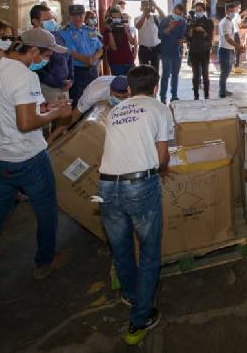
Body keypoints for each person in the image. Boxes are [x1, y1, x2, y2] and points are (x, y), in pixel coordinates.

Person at [0, 28, 72, 295]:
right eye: (45, 55)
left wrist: (45, 108)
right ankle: (45, 261)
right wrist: (58, 115)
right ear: (31, 51)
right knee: (46, 209)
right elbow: (25, 123)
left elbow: (10, 109)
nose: (45, 60)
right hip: (26, 156)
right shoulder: (25, 76)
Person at [98, 65, 172, 345]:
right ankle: (140, 319)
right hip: (139, 186)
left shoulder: (115, 111)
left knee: (121, 248)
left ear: (128, 89)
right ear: (156, 87)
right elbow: (162, 158)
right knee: (150, 253)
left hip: (106, 186)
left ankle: (131, 295)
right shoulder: (160, 109)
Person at [59, 5, 103, 107]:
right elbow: (72, 53)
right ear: (70, 16)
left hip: (92, 71)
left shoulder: (90, 30)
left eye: (80, 15)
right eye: (74, 15)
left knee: (93, 99)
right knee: (78, 101)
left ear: (84, 15)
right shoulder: (65, 32)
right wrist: (89, 61)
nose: (77, 18)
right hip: (77, 72)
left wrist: (93, 59)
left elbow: (100, 48)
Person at [29, 4, 73, 105]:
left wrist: (71, 78)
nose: (52, 22)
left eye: (52, 18)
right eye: (47, 20)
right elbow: (38, 69)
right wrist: (59, 83)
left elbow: (68, 55)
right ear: (35, 21)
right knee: (52, 111)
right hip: (46, 87)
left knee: (65, 111)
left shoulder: (57, 35)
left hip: (65, 85)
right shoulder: (33, 40)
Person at [157, 5, 187, 103]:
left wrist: (183, 40)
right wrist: (169, 27)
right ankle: (163, 97)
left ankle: (174, 96)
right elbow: (160, 35)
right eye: (176, 13)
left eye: (180, 14)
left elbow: (185, 36)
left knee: (175, 75)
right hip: (166, 52)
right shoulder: (165, 20)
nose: (178, 16)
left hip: (177, 52)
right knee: (166, 75)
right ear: (173, 10)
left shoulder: (183, 22)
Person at [187, 1, 214, 100]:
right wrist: (192, 29)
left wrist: (203, 31)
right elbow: (188, 38)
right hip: (194, 51)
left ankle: (206, 95)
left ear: (204, 11)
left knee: (205, 74)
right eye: (196, 10)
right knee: (195, 75)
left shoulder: (208, 22)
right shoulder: (191, 22)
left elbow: (210, 37)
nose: (198, 12)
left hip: (205, 51)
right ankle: (196, 95)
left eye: (200, 10)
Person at [103, 6, 137, 75]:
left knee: (132, 81)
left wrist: (127, 30)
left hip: (129, 60)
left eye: (118, 18)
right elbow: (113, 47)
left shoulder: (125, 27)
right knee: (119, 81)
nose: (116, 20)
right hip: (116, 63)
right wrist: (110, 30)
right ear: (110, 19)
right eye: (114, 18)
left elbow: (132, 42)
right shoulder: (107, 31)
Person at [218, 3, 241, 98]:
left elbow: (232, 36)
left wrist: (235, 47)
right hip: (224, 50)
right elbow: (228, 39)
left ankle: (223, 89)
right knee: (224, 72)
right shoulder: (224, 23)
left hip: (230, 50)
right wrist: (238, 46)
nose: (232, 13)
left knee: (227, 71)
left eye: (233, 11)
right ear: (226, 11)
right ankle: (222, 92)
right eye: (230, 11)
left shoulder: (230, 22)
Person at [135, 0, 163, 77]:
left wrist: (156, 6)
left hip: (155, 48)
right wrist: (144, 15)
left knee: (155, 71)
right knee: (143, 72)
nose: (146, 7)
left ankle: (155, 84)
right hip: (143, 49)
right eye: (144, 5)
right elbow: (138, 26)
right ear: (141, 8)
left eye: (147, 5)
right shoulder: (137, 18)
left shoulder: (155, 17)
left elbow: (164, 17)